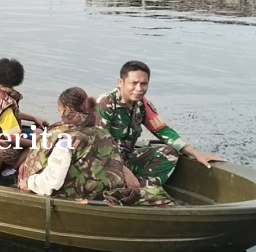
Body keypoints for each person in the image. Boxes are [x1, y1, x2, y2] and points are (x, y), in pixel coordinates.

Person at [18, 87, 171, 205]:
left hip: (75, 195)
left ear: (65, 111)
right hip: (101, 191)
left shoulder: (65, 139)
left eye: (59, 111)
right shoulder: (102, 133)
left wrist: (30, 183)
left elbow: (54, 181)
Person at [96, 60, 226, 185]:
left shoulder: (142, 105)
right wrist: (124, 171)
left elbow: (163, 131)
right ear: (121, 82)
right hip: (102, 162)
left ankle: (140, 190)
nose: (139, 88)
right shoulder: (106, 103)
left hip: (125, 158)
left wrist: (196, 153)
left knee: (170, 152)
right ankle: (128, 188)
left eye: (144, 84)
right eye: (134, 83)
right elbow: (99, 145)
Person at [0, 58, 49, 183]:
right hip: (0, 143)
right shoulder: (6, 103)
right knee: (40, 141)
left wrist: (33, 118)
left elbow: (6, 116)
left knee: (37, 133)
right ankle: (10, 171)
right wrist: (36, 145)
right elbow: (12, 138)